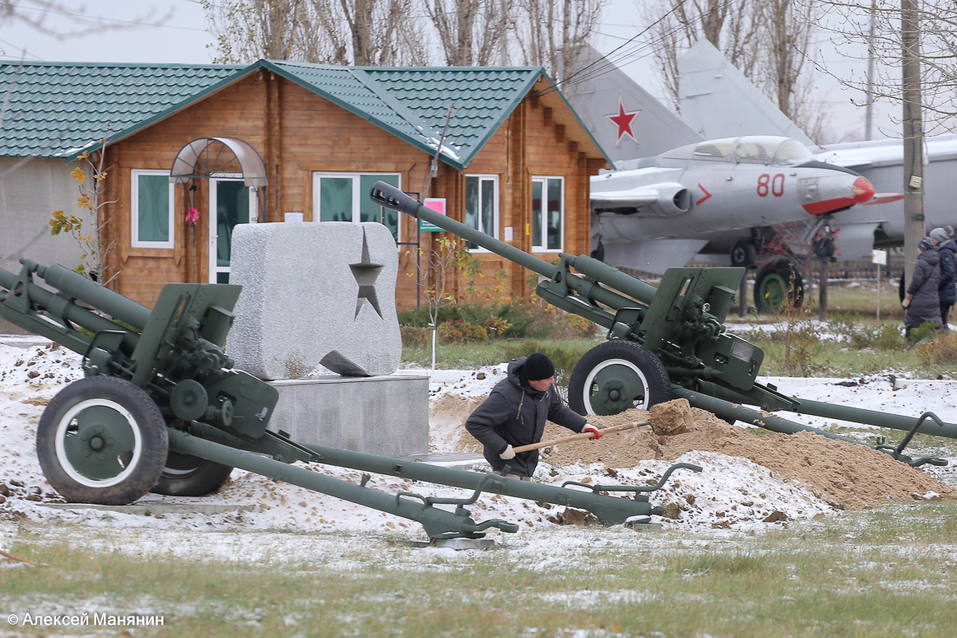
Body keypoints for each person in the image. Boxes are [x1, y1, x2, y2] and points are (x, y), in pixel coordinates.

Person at [465, 353, 602, 480]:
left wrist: (582, 426)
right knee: (513, 501)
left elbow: (556, 409)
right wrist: (501, 447)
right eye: (548, 378)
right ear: (533, 380)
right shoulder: (505, 396)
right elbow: (475, 423)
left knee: (525, 499)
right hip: (506, 461)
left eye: (552, 377)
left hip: (527, 459)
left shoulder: (545, 389)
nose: (552, 382)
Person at [903, 236, 942, 340]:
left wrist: (910, 292)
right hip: (933, 298)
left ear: (923, 248)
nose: (917, 249)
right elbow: (938, 280)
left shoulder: (921, 263)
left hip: (920, 299)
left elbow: (916, 281)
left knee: (910, 322)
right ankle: (938, 344)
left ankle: (909, 344)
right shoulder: (937, 262)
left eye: (919, 247)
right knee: (934, 322)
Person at [931, 226, 956, 330]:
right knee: (941, 320)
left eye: (933, 238)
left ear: (938, 239)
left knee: (938, 320)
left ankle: (942, 342)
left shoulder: (945, 252)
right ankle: (943, 342)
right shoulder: (944, 250)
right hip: (945, 291)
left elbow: (949, 272)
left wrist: (938, 284)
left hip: (944, 292)